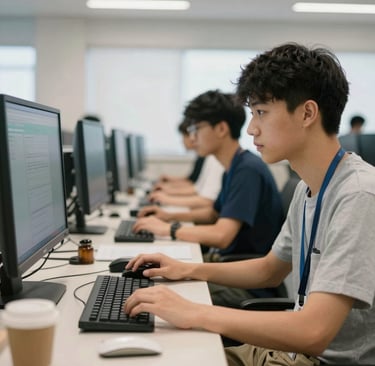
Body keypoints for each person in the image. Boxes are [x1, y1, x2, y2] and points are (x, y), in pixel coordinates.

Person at [124, 43, 375, 365]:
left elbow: (314, 332)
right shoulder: (309, 188)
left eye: (261, 112)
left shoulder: (358, 195)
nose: (251, 128)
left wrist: (194, 312)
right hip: (290, 352)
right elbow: (269, 269)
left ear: (307, 113)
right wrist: (185, 269)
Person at [134, 89, 283, 261]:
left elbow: (221, 236)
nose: (192, 137)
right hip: (224, 263)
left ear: (221, 129)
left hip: (240, 277)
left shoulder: (247, 170)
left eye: (196, 129)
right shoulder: (234, 166)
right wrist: (167, 216)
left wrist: (169, 229)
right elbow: (213, 214)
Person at [151, 117, 224, 208]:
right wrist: (167, 192)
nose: (192, 139)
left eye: (196, 132)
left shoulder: (215, 159)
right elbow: (197, 188)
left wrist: (167, 196)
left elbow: (206, 199)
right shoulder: (210, 157)